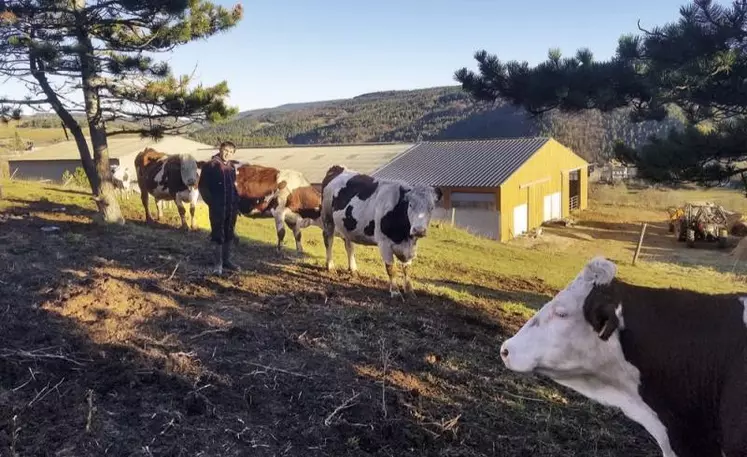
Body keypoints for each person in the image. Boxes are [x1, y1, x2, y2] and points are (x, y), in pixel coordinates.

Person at [197, 141, 241, 274]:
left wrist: (236, 204)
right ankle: (218, 264)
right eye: (225, 150)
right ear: (220, 149)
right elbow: (203, 187)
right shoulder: (210, 166)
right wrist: (212, 203)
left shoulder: (232, 167)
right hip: (217, 207)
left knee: (229, 232)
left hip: (231, 207)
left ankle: (227, 260)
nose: (227, 153)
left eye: (230, 151)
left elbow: (233, 187)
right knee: (217, 234)